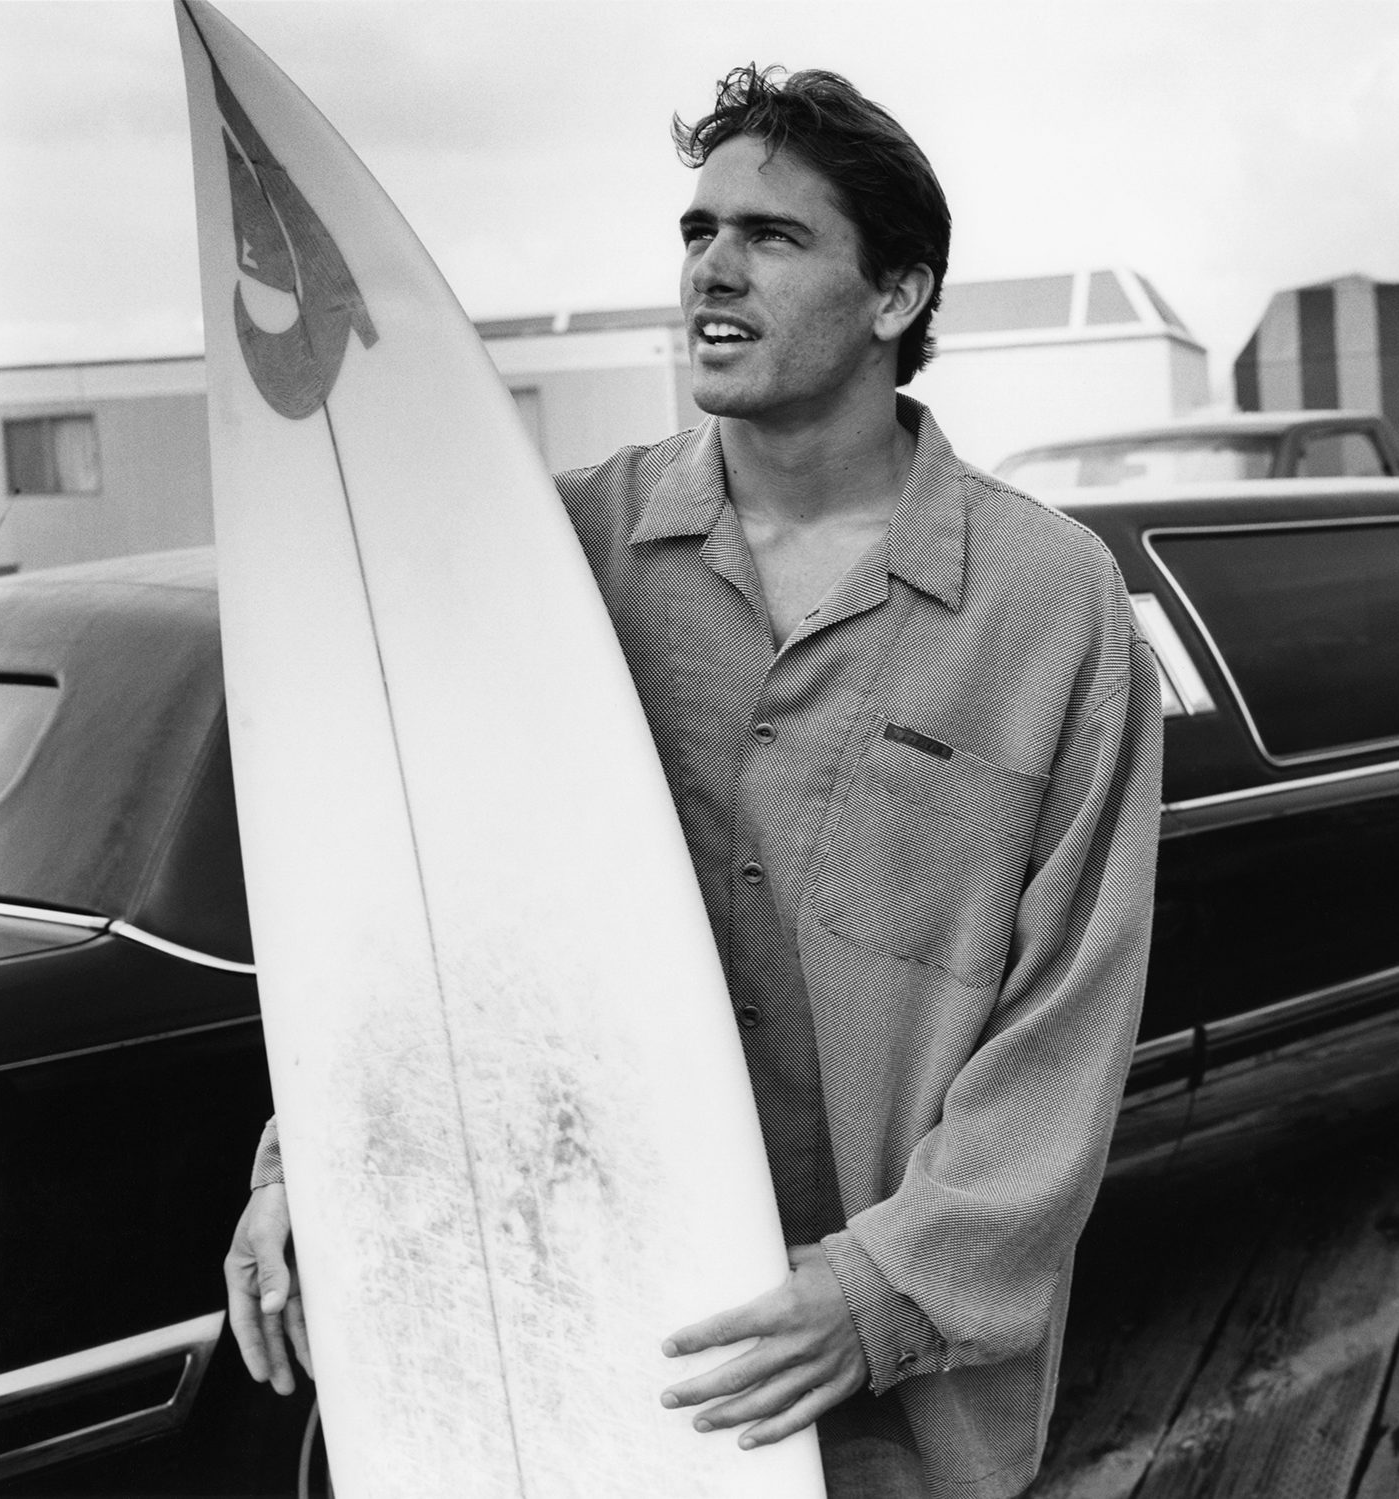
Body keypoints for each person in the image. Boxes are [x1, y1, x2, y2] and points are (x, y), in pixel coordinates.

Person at [223, 63, 1162, 1499]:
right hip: (575, 1354)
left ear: (898, 297)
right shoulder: (561, 556)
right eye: (695, 229)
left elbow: (1067, 1025)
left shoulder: (1052, 607)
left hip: (887, 1415)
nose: (711, 270)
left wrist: (877, 1293)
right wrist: (314, 1169)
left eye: (772, 237)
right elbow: (419, 894)